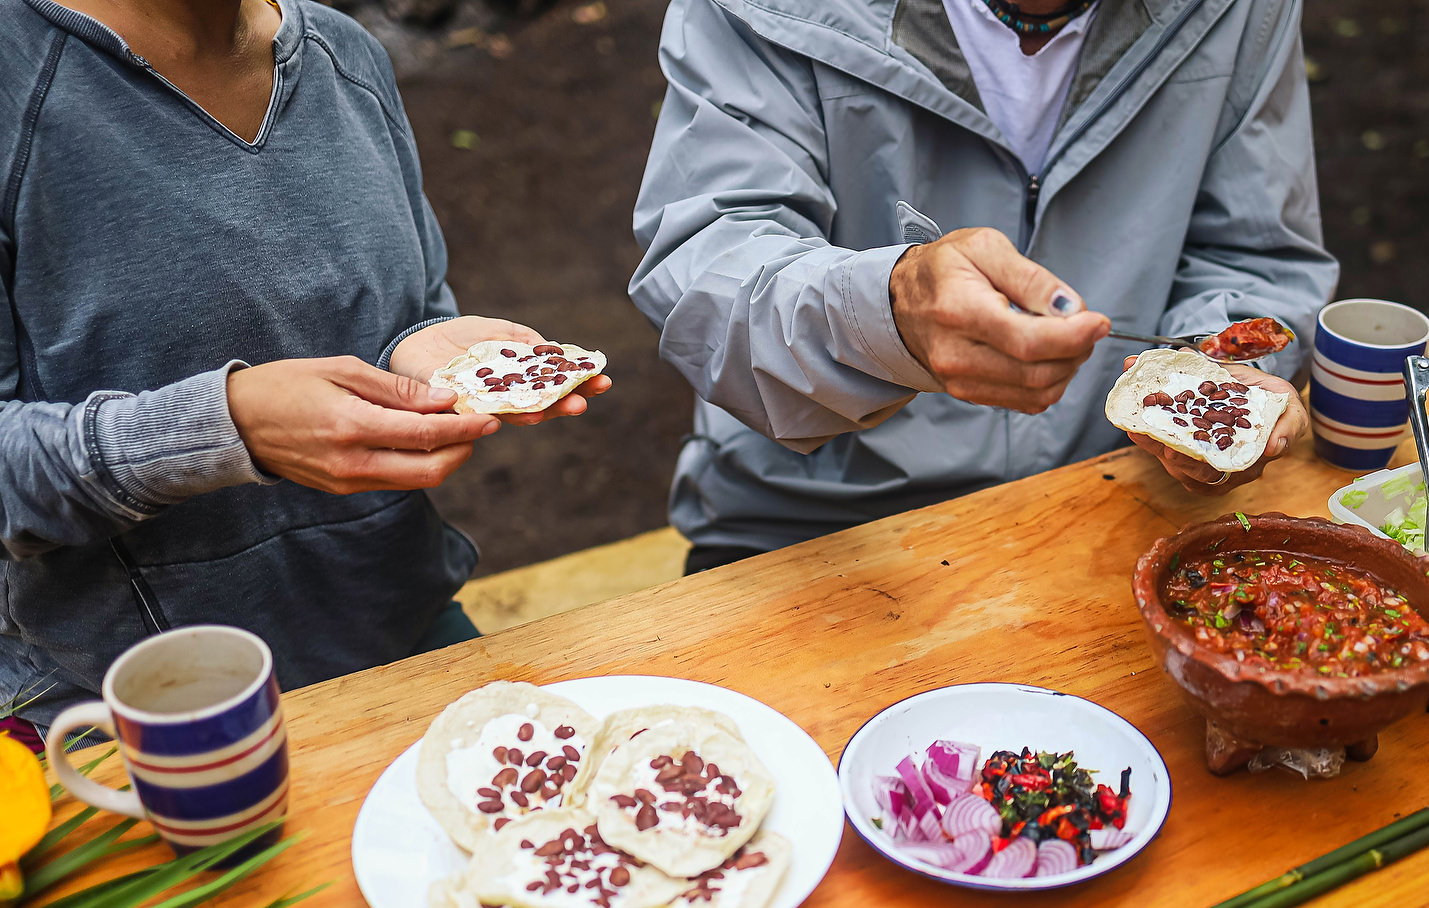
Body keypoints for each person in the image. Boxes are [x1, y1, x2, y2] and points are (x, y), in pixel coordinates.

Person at [0, 0, 603, 730]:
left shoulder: (346, 57)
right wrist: (222, 430)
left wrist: (424, 353)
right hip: (128, 708)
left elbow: (409, 310)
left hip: (402, 630)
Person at [632, 0, 1337, 572]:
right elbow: (707, 276)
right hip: (817, 533)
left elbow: (1254, 254)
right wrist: (891, 313)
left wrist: (1211, 392)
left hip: (1118, 498)